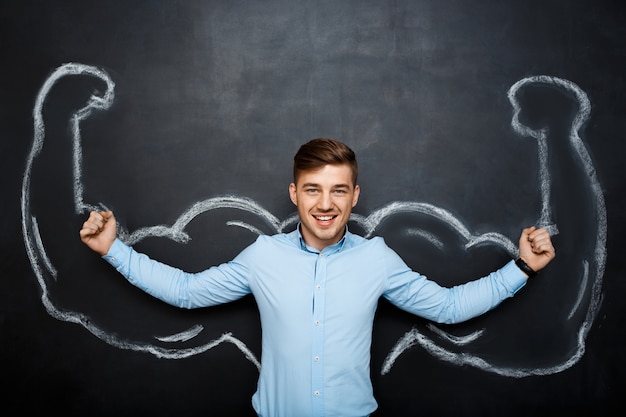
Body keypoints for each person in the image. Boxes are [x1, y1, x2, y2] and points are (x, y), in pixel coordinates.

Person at [80, 137, 555, 417]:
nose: (325, 204)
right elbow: (185, 292)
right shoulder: (262, 256)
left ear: (354, 196)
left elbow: (449, 308)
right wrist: (114, 251)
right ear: (294, 193)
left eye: (337, 191)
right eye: (313, 190)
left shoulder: (377, 259)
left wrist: (521, 268)